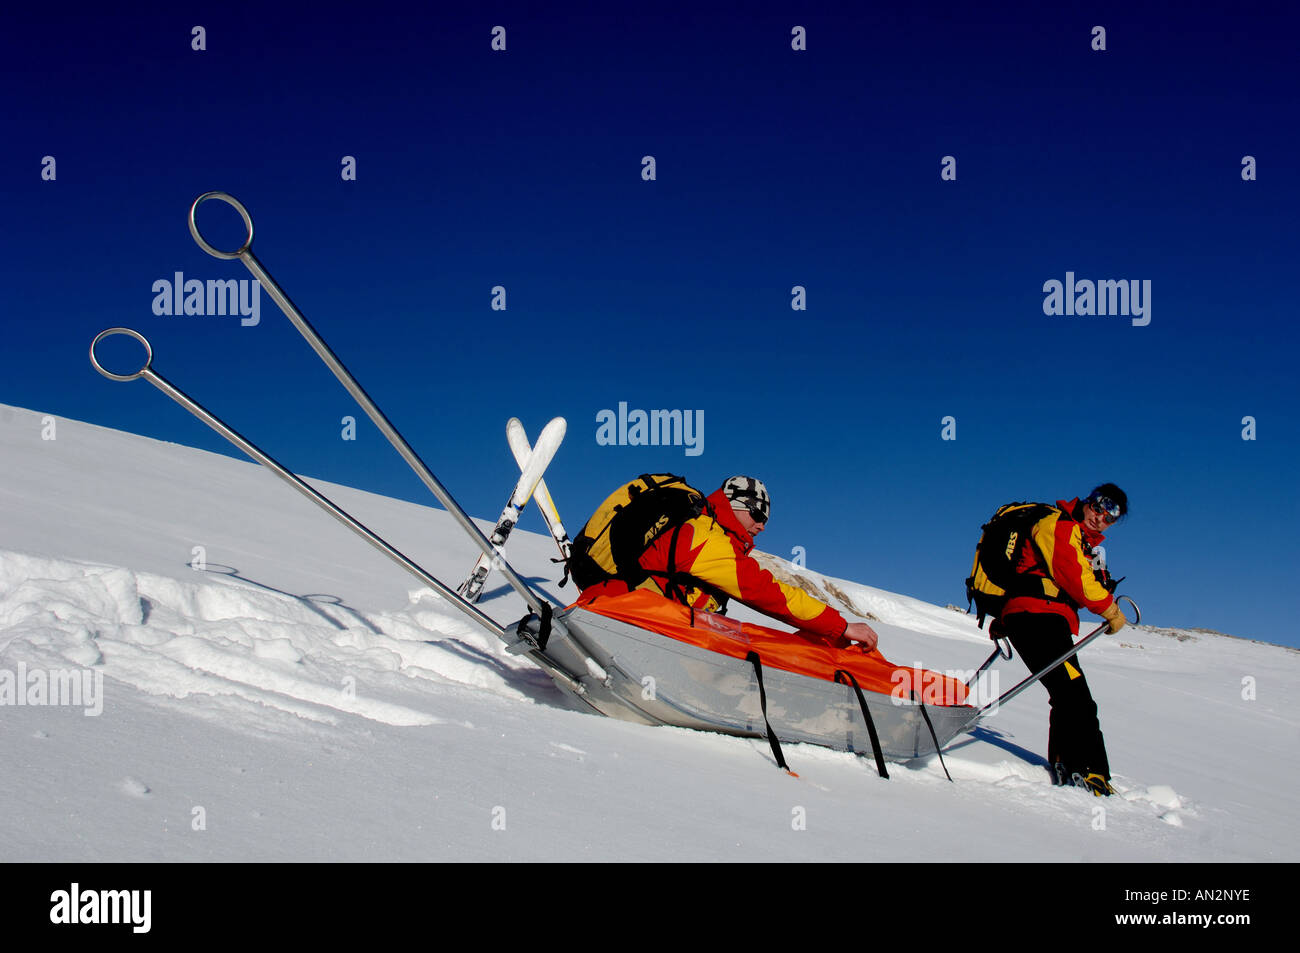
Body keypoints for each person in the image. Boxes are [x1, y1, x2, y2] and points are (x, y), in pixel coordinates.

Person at [580, 475, 880, 652]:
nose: (762, 527)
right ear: (737, 506)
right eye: (758, 516)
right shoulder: (704, 536)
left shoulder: (702, 531)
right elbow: (763, 591)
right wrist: (839, 626)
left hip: (635, 615)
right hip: (635, 620)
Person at [993, 483, 1129, 796]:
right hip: (1038, 617)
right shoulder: (1060, 525)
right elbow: (1073, 576)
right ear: (1089, 501)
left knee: (1067, 693)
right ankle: (1088, 773)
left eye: (1110, 518)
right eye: (1099, 507)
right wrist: (1109, 609)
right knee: (1075, 695)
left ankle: (1068, 767)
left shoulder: (1080, 540)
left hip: (1038, 617)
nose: (1100, 518)